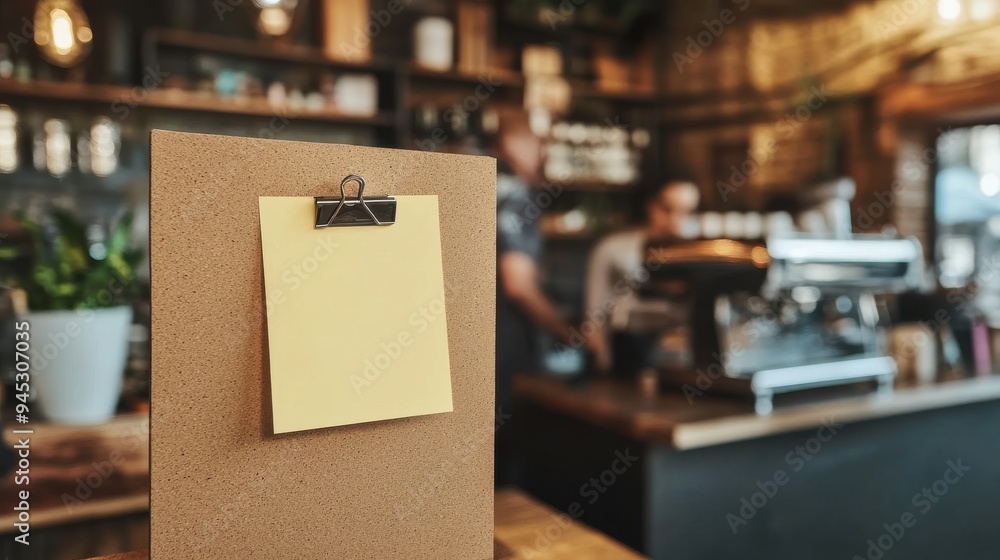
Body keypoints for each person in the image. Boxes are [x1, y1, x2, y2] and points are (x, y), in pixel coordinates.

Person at [494, 108, 575, 486]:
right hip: (505, 346)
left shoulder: (481, 185)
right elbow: (518, 285)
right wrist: (566, 332)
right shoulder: (516, 195)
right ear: (515, 143)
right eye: (538, 144)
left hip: (466, 342)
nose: (542, 154)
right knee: (507, 463)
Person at [583, 175, 701, 374]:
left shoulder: (699, 253)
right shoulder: (613, 249)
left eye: (686, 212)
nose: (675, 221)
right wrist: (600, 360)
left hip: (683, 356)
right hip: (628, 351)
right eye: (668, 209)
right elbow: (594, 314)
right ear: (652, 206)